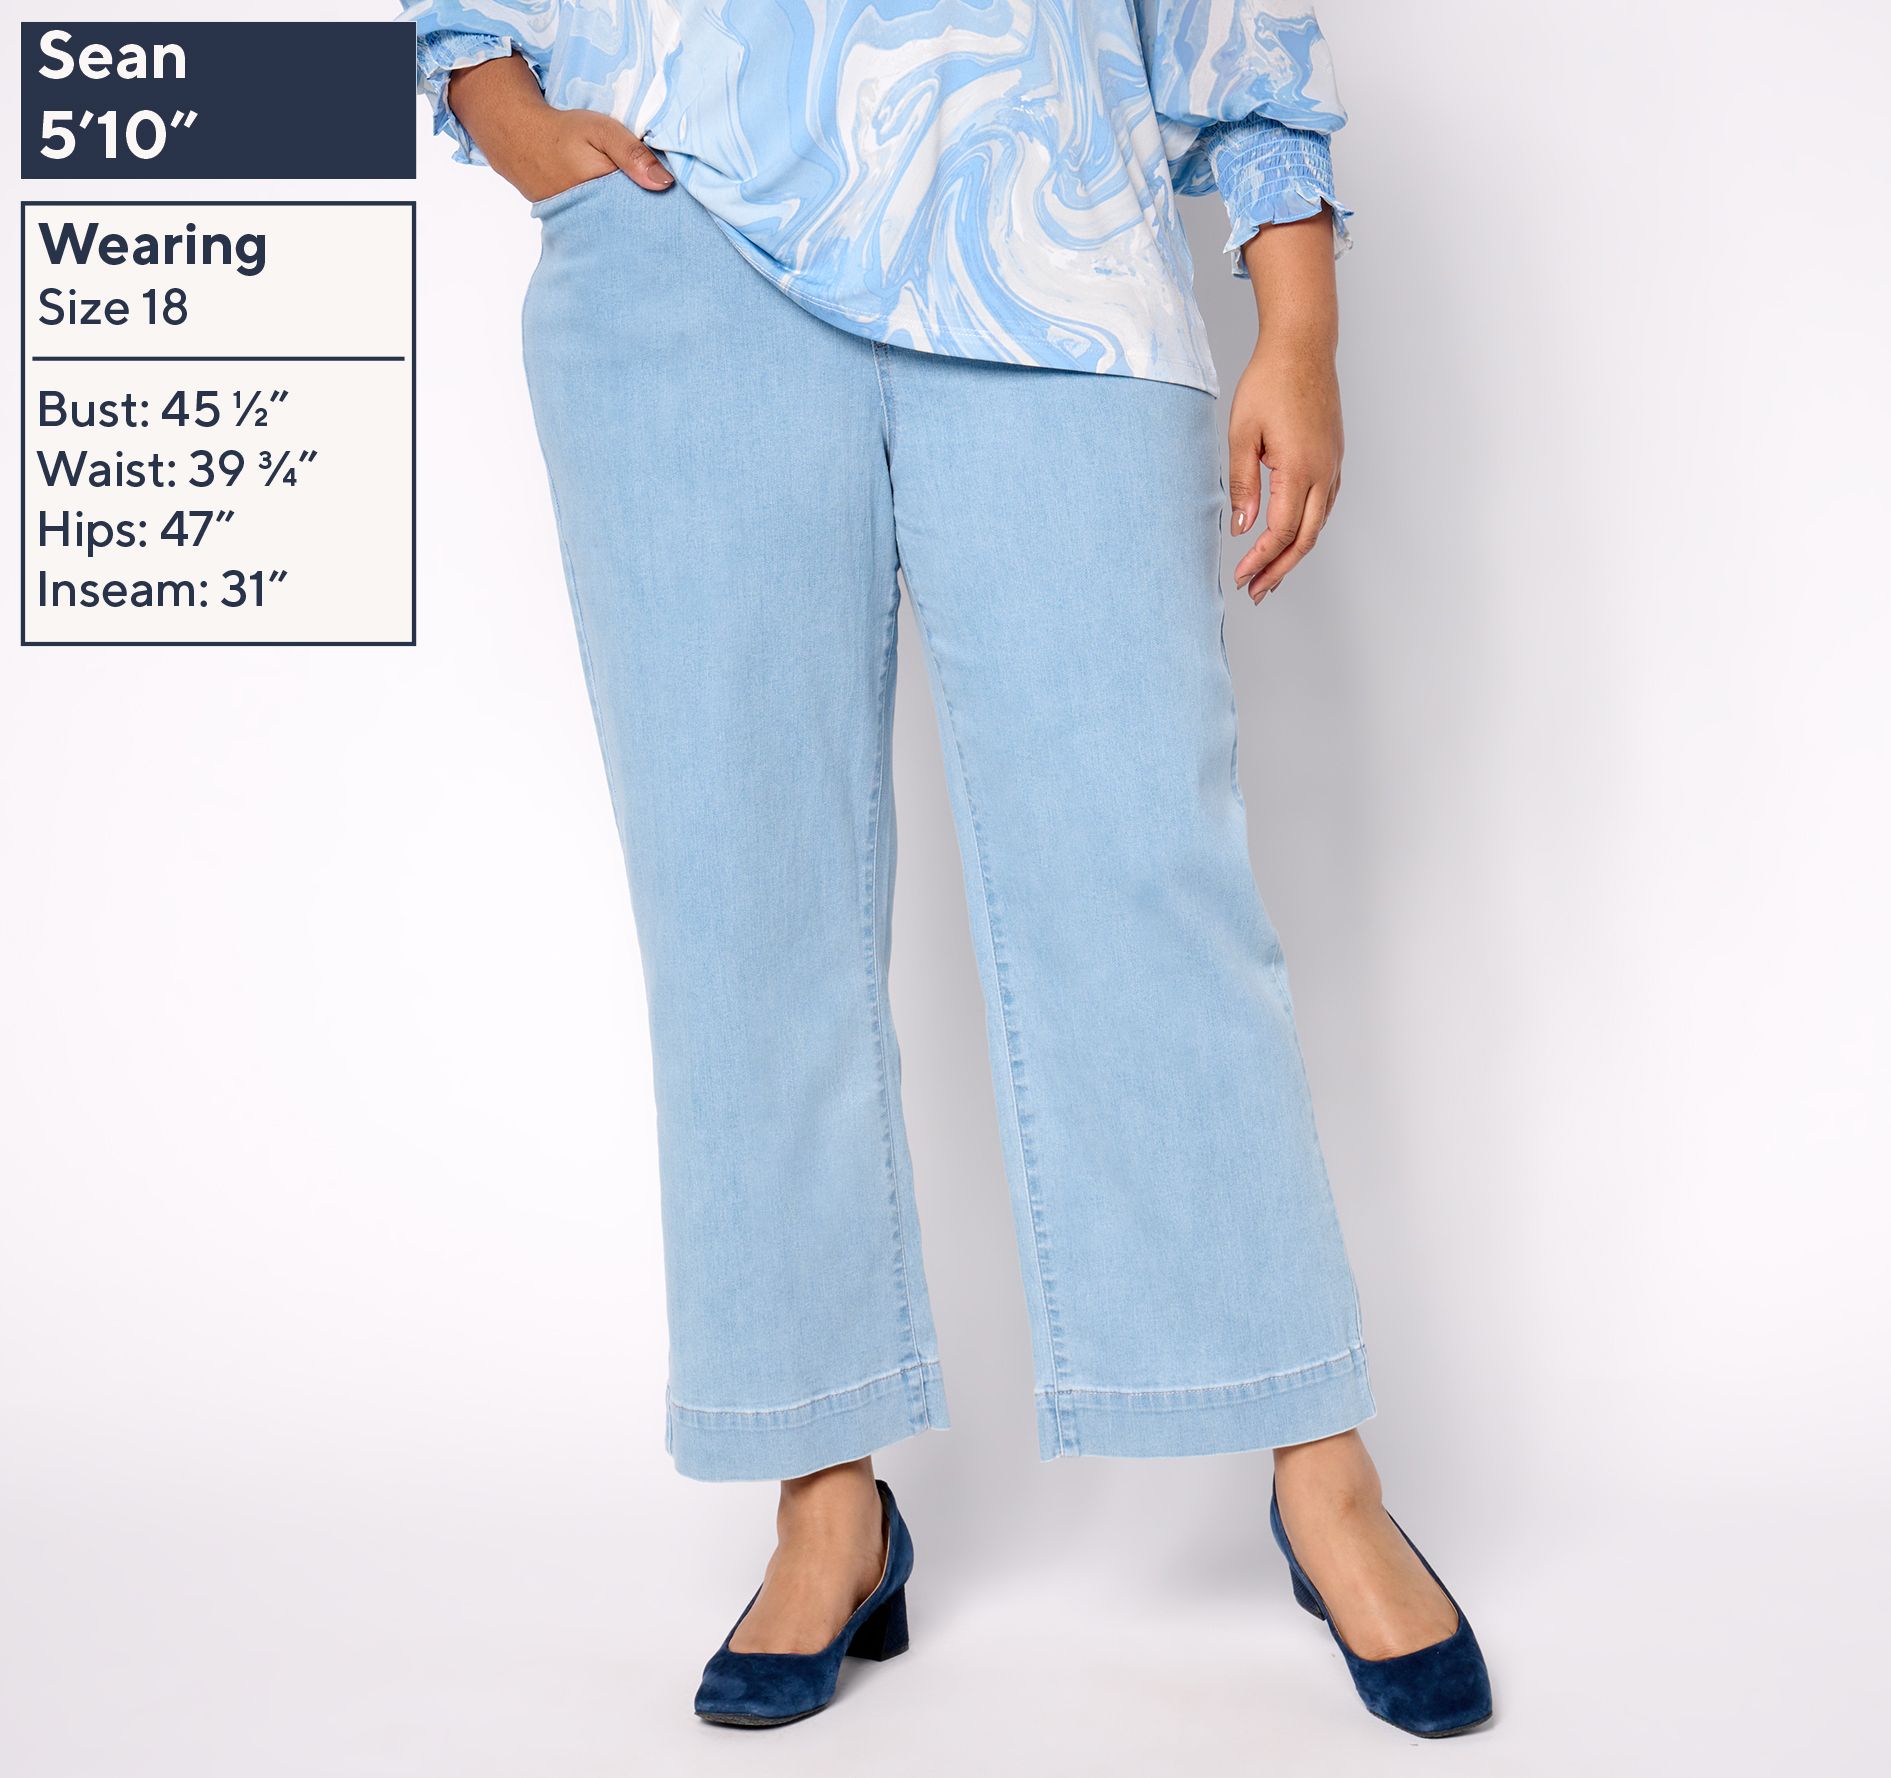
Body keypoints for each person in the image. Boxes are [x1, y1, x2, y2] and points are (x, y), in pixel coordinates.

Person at [405, 0, 1493, 1738]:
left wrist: (1300, 323)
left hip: (1047, 232)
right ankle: (824, 1496)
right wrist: (510, 115)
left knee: (1144, 873)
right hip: (681, 254)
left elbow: (1237, 34)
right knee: (738, 899)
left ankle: (1321, 1470)